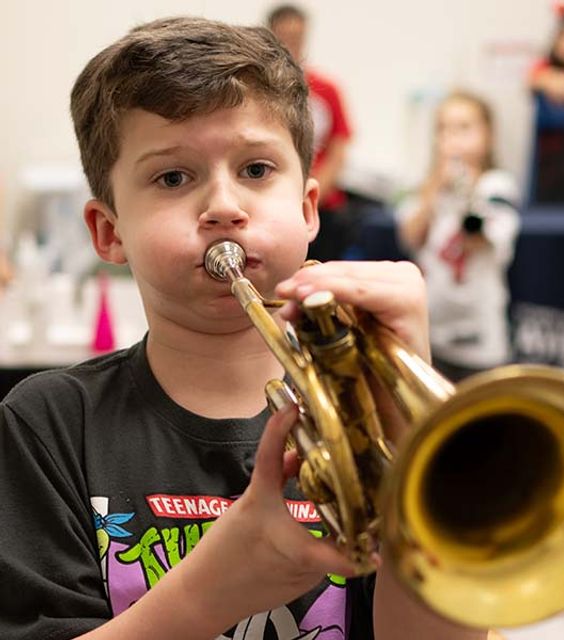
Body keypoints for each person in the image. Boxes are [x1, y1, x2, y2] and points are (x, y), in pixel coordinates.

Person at [0, 17, 486, 640]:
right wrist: (203, 598)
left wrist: (418, 441)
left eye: (256, 170)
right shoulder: (48, 425)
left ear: (308, 208)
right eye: (173, 177)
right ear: (109, 232)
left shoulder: (364, 410)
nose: (225, 206)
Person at [396, 91, 520, 382]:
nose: (453, 138)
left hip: (481, 338)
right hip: (432, 333)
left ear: (487, 136)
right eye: (444, 129)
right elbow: (410, 236)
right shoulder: (426, 189)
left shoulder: (497, 185)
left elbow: (479, 236)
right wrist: (434, 189)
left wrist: (466, 190)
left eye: (464, 128)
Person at [267, 4, 354, 262]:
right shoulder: (260, 92)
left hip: (322, 207)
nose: (291, 43)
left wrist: (307, 195)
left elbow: (339, 149)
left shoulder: (327, 89)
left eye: (297, 37)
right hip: (275, 204)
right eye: (284, 36)